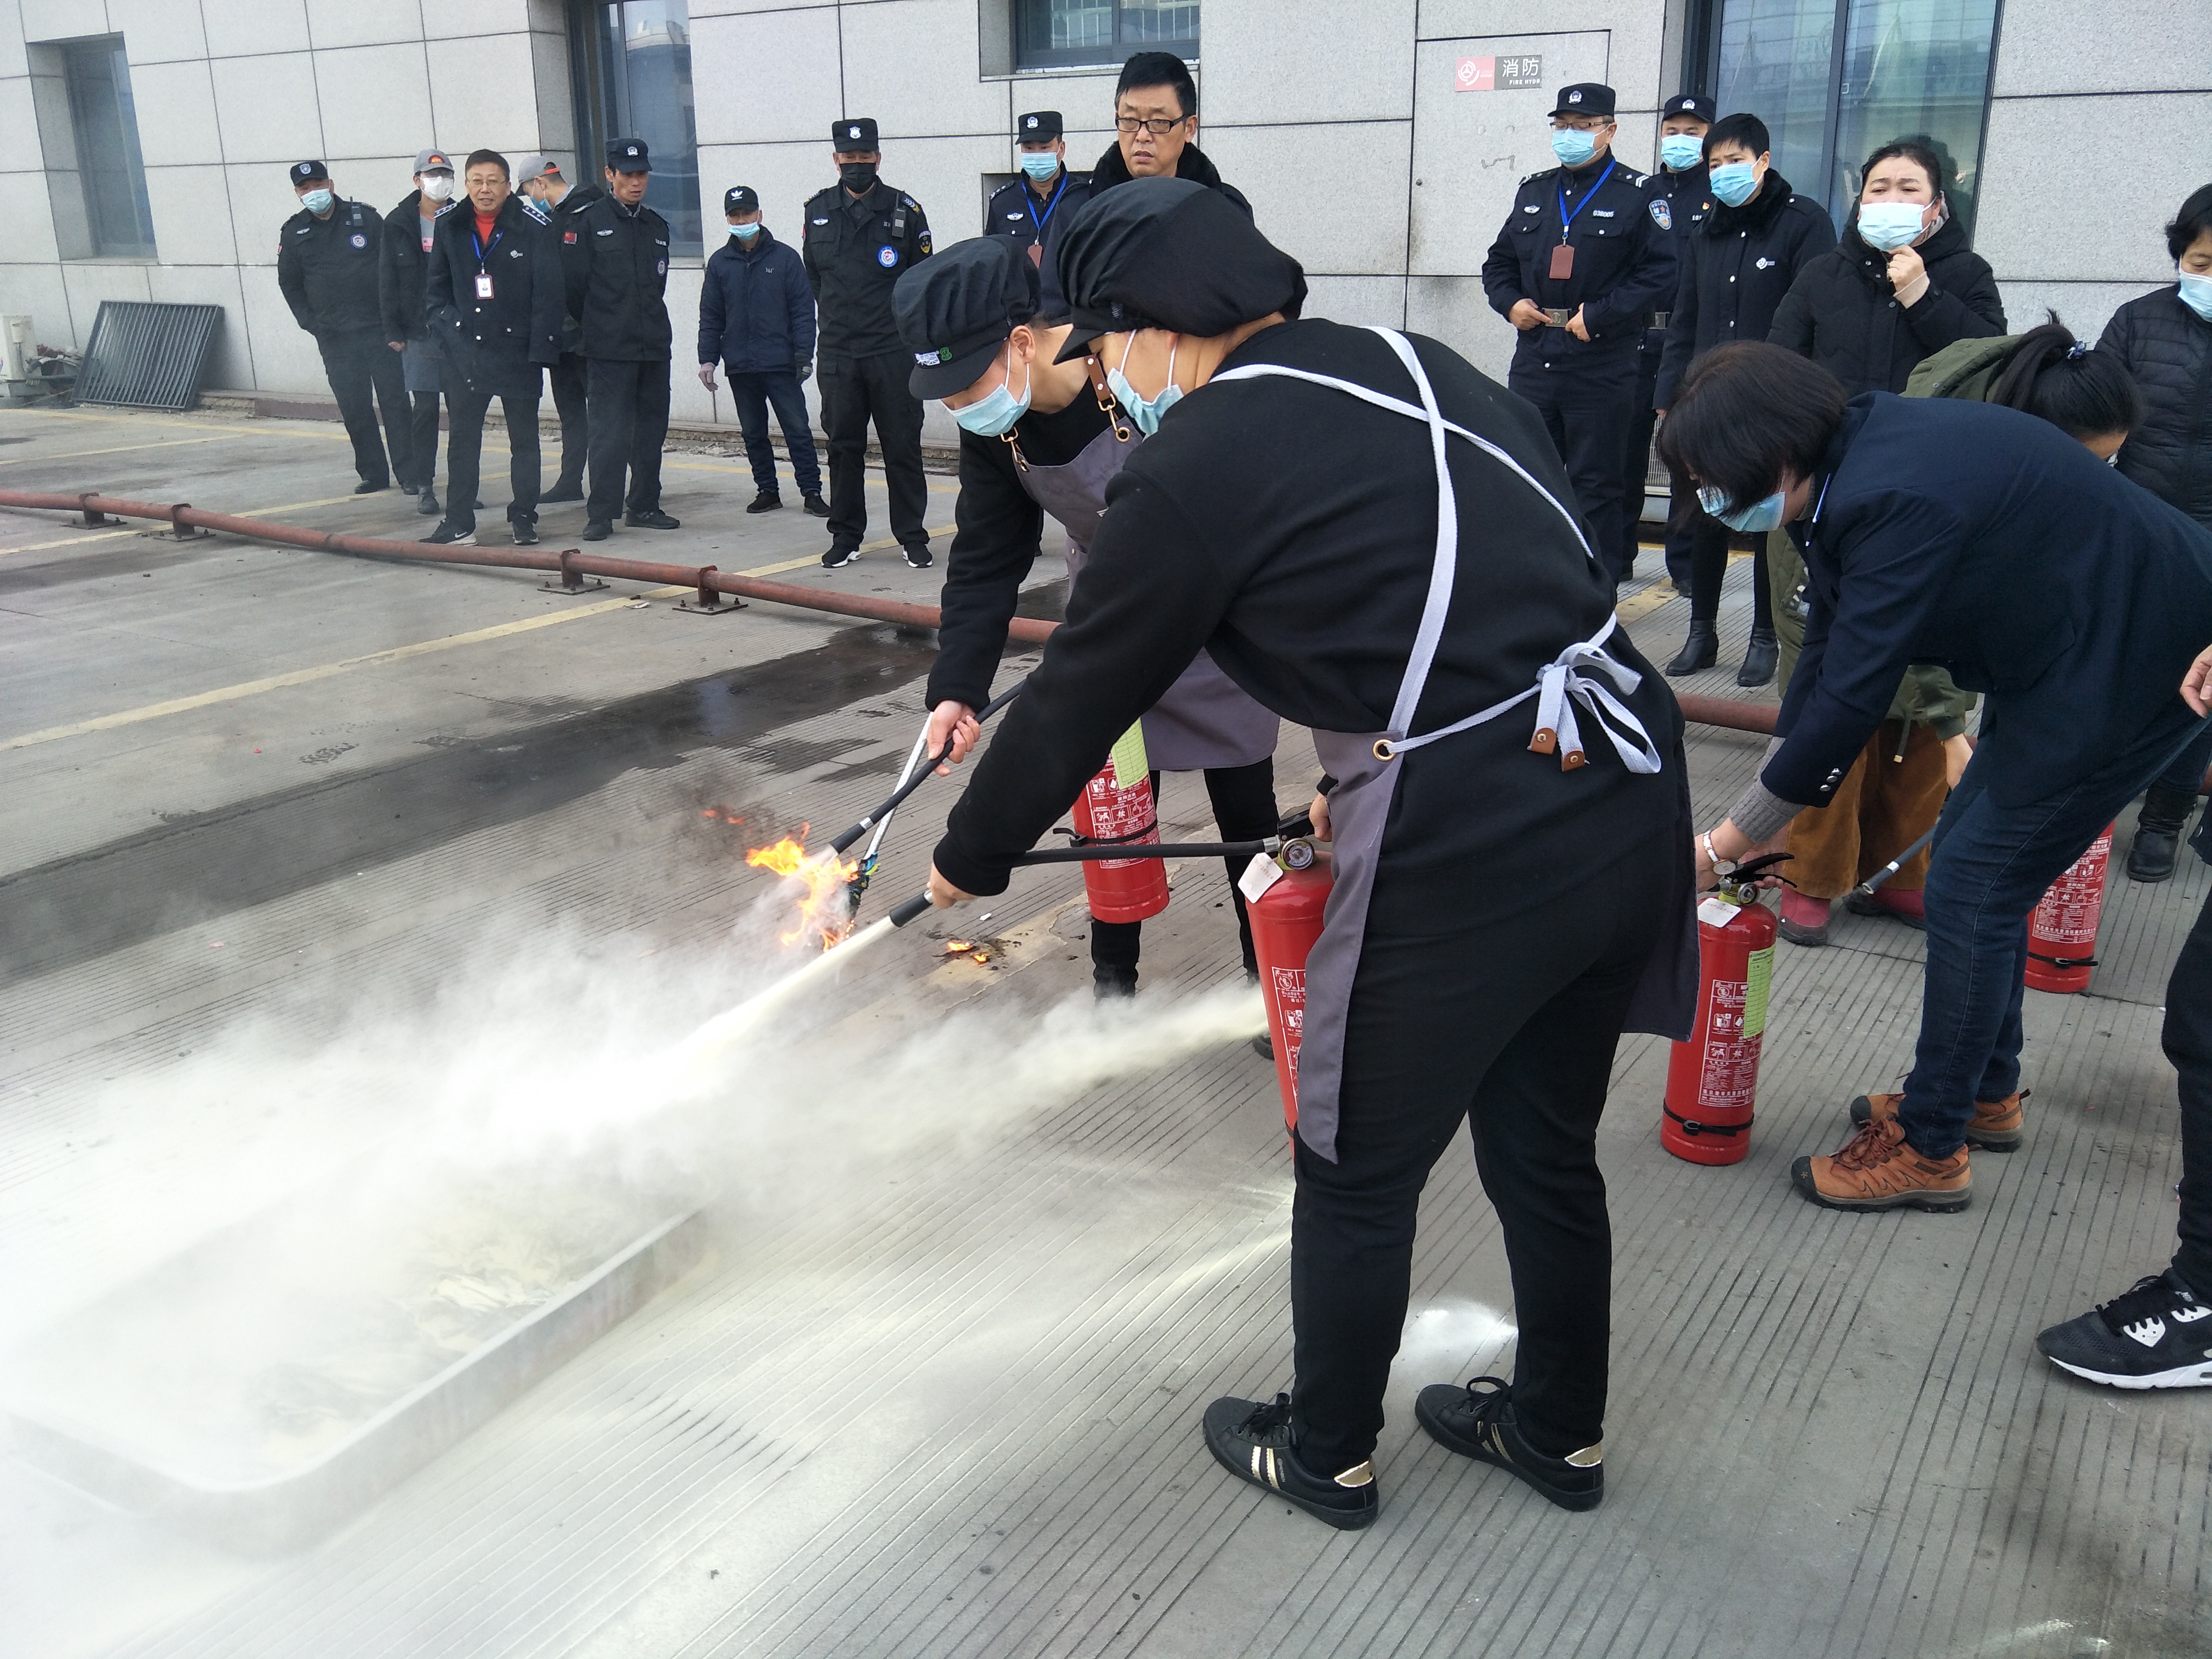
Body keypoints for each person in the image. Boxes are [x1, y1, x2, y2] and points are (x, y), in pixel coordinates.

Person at [924, 178, 1694, 1526]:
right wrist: (1366, 764)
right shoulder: (1414, 358)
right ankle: (1560, 1431)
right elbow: (1505, 570)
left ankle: (1328, 1450)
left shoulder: (1197, 459)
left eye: (1109, 344)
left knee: (1352, 1165)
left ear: (1162, 327)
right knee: (1545, 1150)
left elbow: (1083, 685)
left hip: (1470, 828)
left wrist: (968, 856)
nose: (1109, 378)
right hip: (1618, 775)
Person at [1659, 341, 2212, 1214]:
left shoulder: (1892, 496)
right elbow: (1824, 664)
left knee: (1973, 887)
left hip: (2138, 663)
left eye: (1711, 479)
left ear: (1773, 451)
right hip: (2064, 655)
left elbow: (1854, 697)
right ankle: (1982, 1091)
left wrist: (1723, 846)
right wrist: (1759, 815)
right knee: (1971, 867)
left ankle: (1929, 1144)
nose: (1709, 499)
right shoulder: (1839, 468)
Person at [898, 236, 1281, 1003]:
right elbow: (985, 560)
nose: (957, 407)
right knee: (1114, 818)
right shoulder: (998, 429)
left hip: (1214, 608)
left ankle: (1267, 977)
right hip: (1110, 616)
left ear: (1020, 342)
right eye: (942, 393)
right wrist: (958, 688)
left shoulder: (1135, 370)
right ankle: (1113, 986)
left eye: (964, 386)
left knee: (1247, 814)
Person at [1770, 319, 2141, 948]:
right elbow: (1899, 622)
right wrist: (1949, 729)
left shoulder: (2021, 410)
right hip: (1834, 572)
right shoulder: (1942, 460)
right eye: (2088, 460)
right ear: (2042, 437)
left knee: (1919, 747)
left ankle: (1896, 871)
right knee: (1841, 727)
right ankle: (1809, 875)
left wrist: (1944, 728)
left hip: (1917, 581)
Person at [1654, 112, 1836, 685]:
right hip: (1707, 398)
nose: (1724, 172)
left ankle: (1763, 636)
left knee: (1767, 519)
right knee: (1705, 514)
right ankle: (1701, 632)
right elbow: (1685, 317)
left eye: (1735, 160)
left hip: (1770, 400)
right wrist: (1668, 396)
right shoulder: (1705, 228)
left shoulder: (1802, 222)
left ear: (1763, 161)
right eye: (1715, 164)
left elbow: (1817, 316)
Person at [1480, 83, 1677, 590]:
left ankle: (1596, 595)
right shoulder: (1535, 191)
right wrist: (1510, 304)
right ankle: (1533, 587)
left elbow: (1662, 273)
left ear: (1609, 130)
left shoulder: (1639, 194)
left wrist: (1604, 315)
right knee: (1528, 476)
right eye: (1562, 125)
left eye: (1583, 126)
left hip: (1601, 360)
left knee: (1597, 486)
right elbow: (1498, 264)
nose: (1569, 135)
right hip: (1536, 356)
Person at [2099, 182, 2212, 882]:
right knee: (2114, 667)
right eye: (2202, 263)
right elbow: (2095, 418)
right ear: (2180, 256)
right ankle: (2091, 803)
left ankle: (2165, 819)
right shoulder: (2138, 322)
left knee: (2199, 687)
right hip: (2138, 523)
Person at [1766, 138, 2005, 397]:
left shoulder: (1969, 271)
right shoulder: (1821, 273)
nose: (1893, 200)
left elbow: (1992, 361)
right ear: (1860, 206)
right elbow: (1779, 366)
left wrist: (1924, 297)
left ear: (1936, 206)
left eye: (1909, 189)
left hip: (1928, 423)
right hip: (1838, 422)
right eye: (1879, 190)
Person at [804, 117, 935, 570]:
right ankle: (846, 536)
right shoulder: (817, 211)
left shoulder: (905, 210)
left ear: (877, 158)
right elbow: (815, 278)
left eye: (864, 157)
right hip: (839, 353)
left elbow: (922, 280)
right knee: (843, 449)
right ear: (836, 159)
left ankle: (912, 536)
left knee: (903, 447)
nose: (856, 164)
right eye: (849, 157)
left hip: (892, 352)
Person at [420, 149, 562, 548]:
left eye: (494, 181)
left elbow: (549, 295)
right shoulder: (449, 225)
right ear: (466, 185)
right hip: (466, 351)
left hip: (517, 351)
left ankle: (524, 517)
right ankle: (459, 522)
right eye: (477, 181)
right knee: (463, 442)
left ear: (508, 186)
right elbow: (436, 294)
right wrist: (454, 336)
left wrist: (541, 351)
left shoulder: (534, 226)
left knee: (525, 441)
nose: (485, 189)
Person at [564, 138, 680, 542]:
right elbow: (574, 288)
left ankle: (644, 505)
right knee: (608, 434)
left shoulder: (656, 226)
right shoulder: (588, 222)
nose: (636, 182)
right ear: (609, 175)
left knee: (651, 432)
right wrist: (601, 326)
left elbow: (658, 286)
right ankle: (602, 513)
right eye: (628, 175)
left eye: (642, 174)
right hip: (609, 349)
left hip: (653, 347)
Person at [1624, 92, 1713, 592]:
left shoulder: (1719, 194)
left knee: (1687, 457)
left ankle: (1687, 566)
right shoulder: (1642, 192)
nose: (1681, 140)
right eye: (1673, 131)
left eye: (1693, 132)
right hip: (1637, 339)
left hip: (1690, 343)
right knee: (1623, 455)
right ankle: (1618, 557)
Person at [277, 159, 409, 495]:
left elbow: (394, 267)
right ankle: (373, 474)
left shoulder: (366, 219)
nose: (313, 192)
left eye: (318, 185)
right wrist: (311, 323)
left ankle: (410, 473)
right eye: (305, 188)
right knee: (354, 408)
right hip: (335, 338)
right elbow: (290, 284)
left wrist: (396, 320)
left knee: (395, 404)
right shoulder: (294, 232)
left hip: (379, 330)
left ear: (331, 185)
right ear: (297, 193)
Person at [698, 185, 825, 517]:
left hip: (781, 364)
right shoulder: (720, 263)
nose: (742, 220)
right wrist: (707, 359)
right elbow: (711, 316)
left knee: (797, 431)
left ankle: (812, 492)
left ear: (760, 214)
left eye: (747, 214)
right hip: (741, 366)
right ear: (728, 219)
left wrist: (804, 355)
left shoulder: (785, 258)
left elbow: (803, 312)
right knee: (753, 433)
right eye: (736, 215)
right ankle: (767, 490)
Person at [516, 154, 606, 505]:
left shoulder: (588, 212)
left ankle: (616, 485)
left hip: (588, 335)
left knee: (603, 415)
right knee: (571, 414)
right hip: (561, 337)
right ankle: (570, 481)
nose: (531, 200)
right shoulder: (554, 218)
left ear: (540, 183)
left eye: (529, 191)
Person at [378, 148, 458, 518]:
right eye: (432, 175)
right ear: (417, 180)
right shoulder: (398, 222)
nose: (439, 181)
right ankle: (424, 484)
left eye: (445, 175)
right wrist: (392, 328)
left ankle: (463, 485)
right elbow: (387, 279)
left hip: (458, 330)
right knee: (426, 410)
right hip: (419, 330)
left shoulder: (462, 217)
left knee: (463, 412)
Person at [985, 110, 1093, 314]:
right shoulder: (1003, 202)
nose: (1036, 155)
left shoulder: (1085, 198)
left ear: (1061, 149)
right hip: (1018, 317)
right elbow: (992, 265)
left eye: (1044, 148)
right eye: (1029, 148)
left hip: (1069, 317)